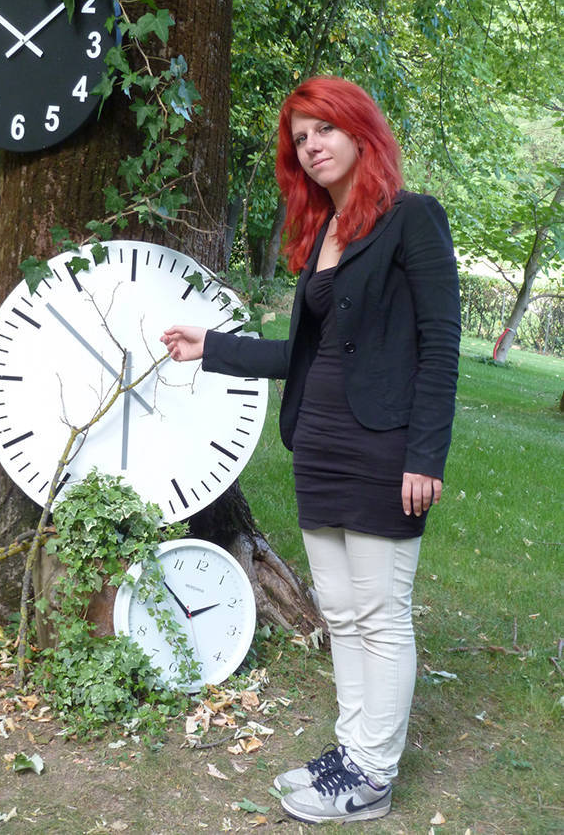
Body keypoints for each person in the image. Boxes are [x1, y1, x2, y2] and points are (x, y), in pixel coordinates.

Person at [161, 76, 461, 825]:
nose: (312, 146)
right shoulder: (325, 232)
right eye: (300, 138)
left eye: (324, 128)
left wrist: (424, 456)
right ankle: (353, 751)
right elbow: (305, 353)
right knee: (342, 612)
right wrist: (212, 347)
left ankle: (373, 775)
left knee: (380, 612)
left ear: (360, 130)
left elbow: (440, 346)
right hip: (319, 445)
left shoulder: (412, 218)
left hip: (384, 448)